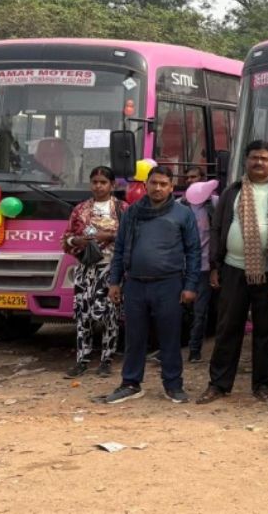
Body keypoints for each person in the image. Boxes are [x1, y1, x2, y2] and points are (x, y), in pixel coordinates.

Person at [197, 140, 268, 405]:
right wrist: (215, 266)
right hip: (233, 269)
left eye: (264, 158)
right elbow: (217, 229)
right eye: (254, 158)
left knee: (266, 332)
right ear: (246, 161)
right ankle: (218, 384)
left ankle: (261, 385)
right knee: (228, 328)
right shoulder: (233, 192)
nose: (259, 162)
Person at [103, 166, 201, 404]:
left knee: (169, 337)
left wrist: (190, 286)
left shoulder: (182, 214)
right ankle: (130, 383)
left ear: (171, 187)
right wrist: (114, 281)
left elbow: (194, 251)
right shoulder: (133, 212)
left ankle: (173, 385)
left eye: (164, 184)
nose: (158, 188)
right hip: (135, 284)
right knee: (134, 338)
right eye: (154, 183)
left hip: (169, 285)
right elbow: (120, 249)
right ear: (146, 184)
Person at [61, 166, 127, 379]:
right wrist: (78, 241)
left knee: (110, 315)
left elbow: (131, 236)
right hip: (85, 269)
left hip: (111, 270)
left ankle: (106, 360)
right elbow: (66, 240)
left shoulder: (122, 209)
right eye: (95, 182)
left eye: (103, 182)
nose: (98, 186)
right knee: (83, 316)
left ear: (112, 185)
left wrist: (109, 236)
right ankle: (82, 360)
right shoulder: (80, 209)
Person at [179, 166, 217, 363]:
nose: (190, 180)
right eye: (188, 178)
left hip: (204, 267)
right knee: (178, 310)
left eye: (194, 177)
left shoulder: (215, 203)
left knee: (200, 312)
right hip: (182, 266)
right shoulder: (179, 205)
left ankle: (194, 350)